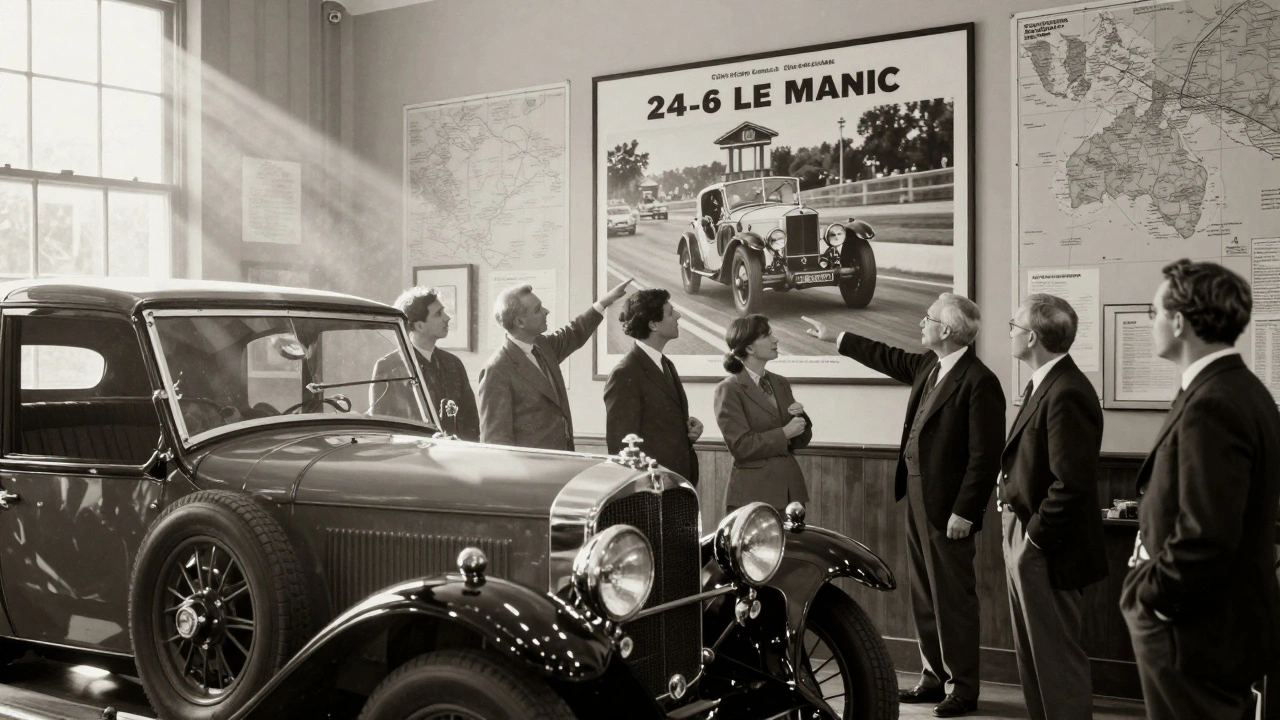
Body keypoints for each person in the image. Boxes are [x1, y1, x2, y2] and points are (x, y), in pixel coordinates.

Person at [803, 296, 1004, 719]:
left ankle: (963, 688)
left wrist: (966, 512)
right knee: (925, 593)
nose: (921, 323)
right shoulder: (931, 366)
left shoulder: (979, 381)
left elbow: (985, 457)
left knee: (953, 598)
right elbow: (886, 356)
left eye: (928, 318)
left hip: (949, 507)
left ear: (947, 331)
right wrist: (836, 337)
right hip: (917, 496)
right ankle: (934, 677)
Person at [1122, 259, 1280, 720]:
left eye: (1153, 312)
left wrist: (1149, 598)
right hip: (1212, 623)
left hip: (1195, 629)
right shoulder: (1239, 388)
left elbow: (1206, 534)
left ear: (1178, 321)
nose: (1149, 323)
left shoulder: (1215, 402)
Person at [1001, 294, 1107, 720]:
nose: (1009, 331)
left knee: (1055, 657)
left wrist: (1033, 539)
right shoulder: (1043, 383)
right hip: (1023, 532)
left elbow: (1073, 482)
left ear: (1032, 337)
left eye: (1014, 325)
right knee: (1033, 653)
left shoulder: (1067, 391)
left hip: (1046, 544)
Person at [478, 279, 631, 450]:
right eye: (538, 310)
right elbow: (495, 440)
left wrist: (604, 302)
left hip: (561, 460)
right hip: (532, 471)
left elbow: (574, 333)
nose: (546, 311)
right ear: (520, 322)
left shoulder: (542, 346)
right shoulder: (497, 369)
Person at [604, 288, 703, 483]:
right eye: (670, 312)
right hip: (651, 491)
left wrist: (687, 432)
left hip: (676, 483)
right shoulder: (625, 372)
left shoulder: (665, 364)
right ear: (653, 325)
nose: (678, 316)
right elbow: (621, 448)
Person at [713, 314, 811, 512]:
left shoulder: (781, 382)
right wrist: (785, 433)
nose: (775, 339)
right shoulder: (729, 389)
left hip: (791, 494)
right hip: (753, 494)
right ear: (749, 348)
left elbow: (801, 439)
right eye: (767, 335)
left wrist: (802, 418)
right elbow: (740, 446)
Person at [370, 286, 479, 441]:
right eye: (438, 314)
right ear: (419, 326)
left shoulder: (453, 364)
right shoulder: (389, 367)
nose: (447, 318)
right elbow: (382, 432)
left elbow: (471, 422)